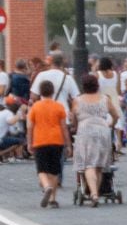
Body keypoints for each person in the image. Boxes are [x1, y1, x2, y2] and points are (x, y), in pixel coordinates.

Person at [71, 74, 119, 207]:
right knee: (99, 165)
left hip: (85, 130)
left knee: (88, 164)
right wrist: (111, 125)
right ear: (97, 85)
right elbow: (116, 115)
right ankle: (96, 191)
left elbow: (73, 118)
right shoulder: (105, 99)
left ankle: (93, 194)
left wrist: (75, 127)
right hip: (102, 130)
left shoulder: (77, 100)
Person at [27, 80, 71, 208]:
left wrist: (29, 142)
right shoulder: (59, 106)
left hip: (40, 141)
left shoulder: (35, 107)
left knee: (41, 169)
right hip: (56, 141)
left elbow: (30, 126)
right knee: (54, 170)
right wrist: (68, 145)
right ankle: (53, 199)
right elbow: (64, 127)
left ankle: (46, 187)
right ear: (53, 92)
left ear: (40, 92)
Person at [0, 97, 28, 161]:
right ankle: (2, 153)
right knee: (22, 141)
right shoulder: (8, 113)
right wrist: (19, 114)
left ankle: (5, 155)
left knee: (11, 138)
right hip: (1, 139)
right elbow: (12, 124)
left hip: (3, 137)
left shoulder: (3, 112)